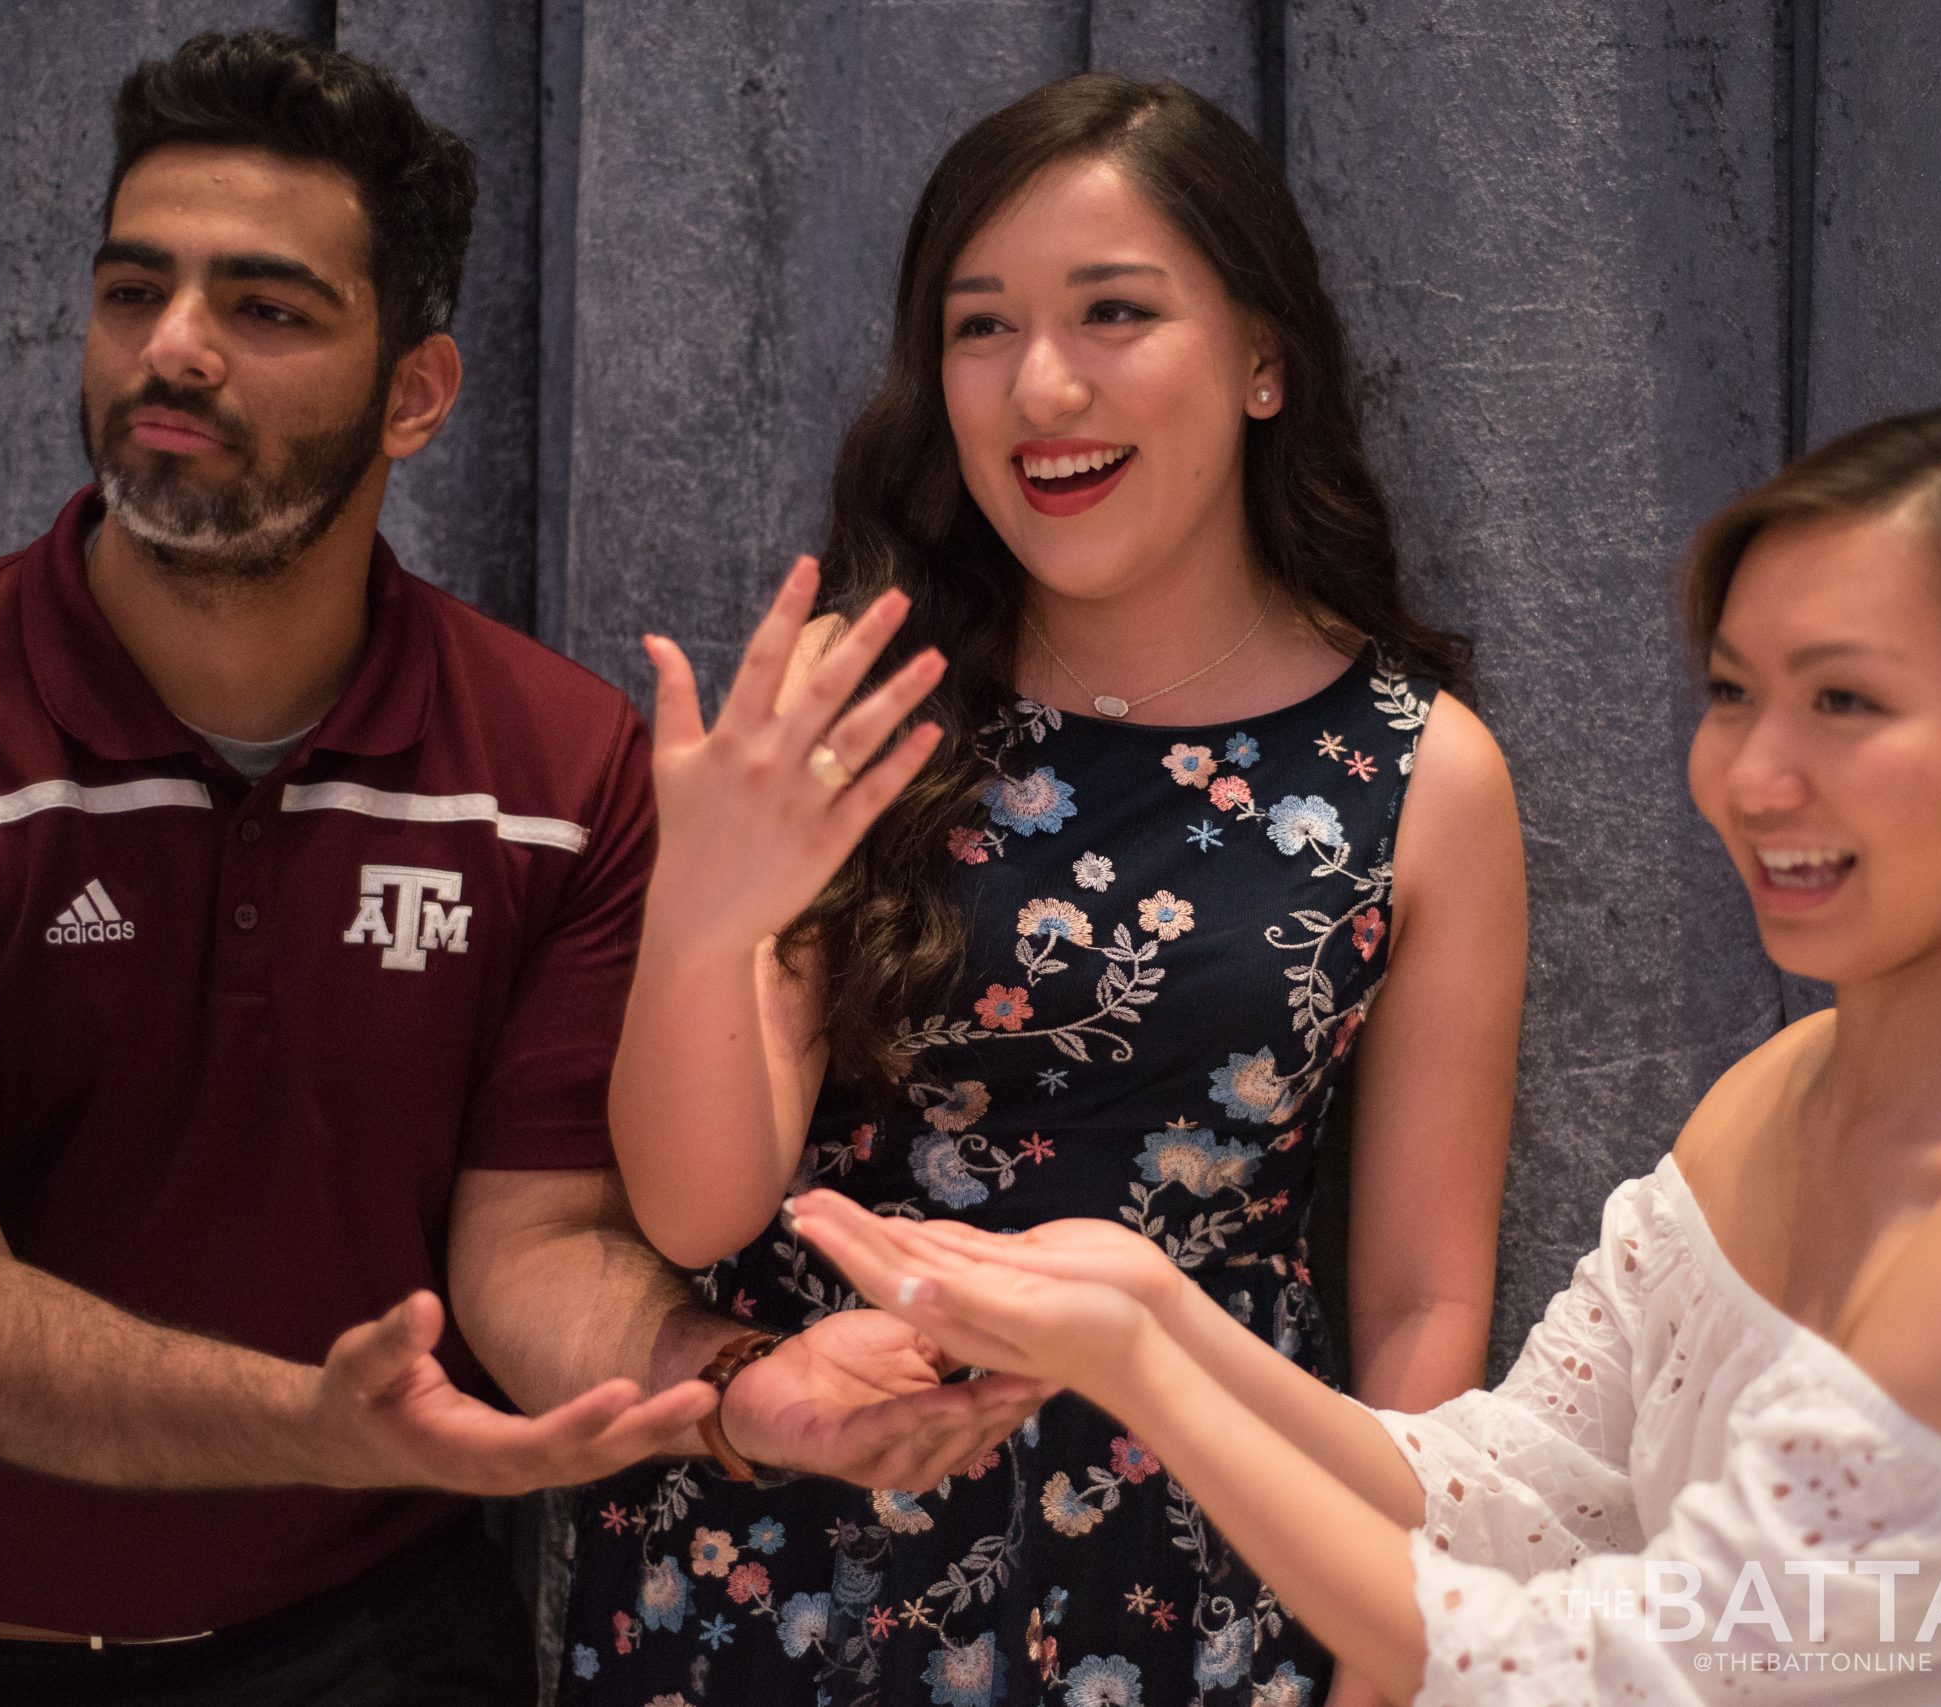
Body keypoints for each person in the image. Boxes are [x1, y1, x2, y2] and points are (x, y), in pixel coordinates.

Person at [0, 31, 1039, 1707]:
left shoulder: (561, 770)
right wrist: (305, 1419)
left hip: (379, 1651)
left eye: (266, 309)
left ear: (419, 392)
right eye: (132, 289)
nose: (173, 350)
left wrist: (735, 1387)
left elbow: (535, 1257)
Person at [789, 398, 1941, 1704]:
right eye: (1735, 692)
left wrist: (1146, 1374)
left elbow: (1601, 1674)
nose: (1752, 776)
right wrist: (1156, 1310)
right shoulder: (1779, 1089)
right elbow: (1510, 1488)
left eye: (1848, 701)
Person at [568, 73, 1526, 1707]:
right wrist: (703, 926)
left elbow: (1423, 1290)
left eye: (1116, 313)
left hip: (1201, 1561)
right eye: (982, 327)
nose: (1044, 386)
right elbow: (694, 1214)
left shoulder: (1424, 772)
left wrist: (1395, 1641)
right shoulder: (852, 699)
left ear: (1264, 360)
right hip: (807, 1537)